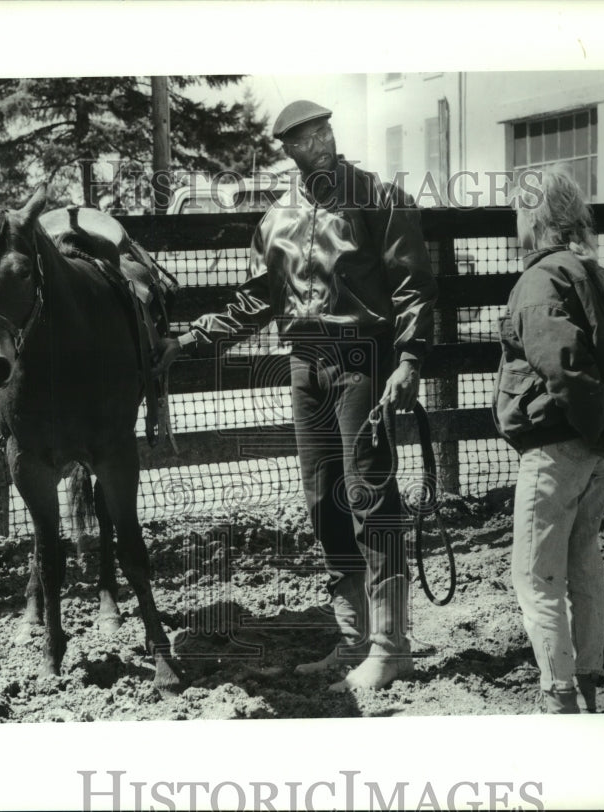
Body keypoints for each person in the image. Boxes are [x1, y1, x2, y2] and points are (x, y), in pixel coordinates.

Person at [154, 100, 437, 691]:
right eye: (309, 138)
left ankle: (391, 646)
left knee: (370, 498)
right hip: (305, 365)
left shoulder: (376, 198)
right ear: (288, 150)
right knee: (322, 502)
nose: (324, 143)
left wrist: (409, 359)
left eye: (327, 131)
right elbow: (260, 296)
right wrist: (190, 339)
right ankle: (353, 638)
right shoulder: (277, 217)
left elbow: (412, 283)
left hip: (363, 360)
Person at [493, 165, 604, 713]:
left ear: (533, 215)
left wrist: (597, 426)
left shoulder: (538, 280)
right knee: (584, 565)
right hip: (594, 451)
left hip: (555, 448)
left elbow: (564, 367)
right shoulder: (595, 273)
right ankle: (586, 684)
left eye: (519, 209)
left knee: (535, 576)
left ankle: (559, 695)